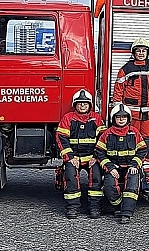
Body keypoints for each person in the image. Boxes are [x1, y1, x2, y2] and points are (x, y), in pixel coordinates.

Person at [112, 38, 149, 192]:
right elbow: (119, 88)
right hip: (132, 112)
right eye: (138, 51)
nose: (141, 53)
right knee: (132, 139)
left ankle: (147, 170)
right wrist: (117, 107)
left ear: (147, 53)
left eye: (144, 51)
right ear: (134, 53)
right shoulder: (126, 68)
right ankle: (132, 166)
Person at [56, 89, 106, 219]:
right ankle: (72, 207)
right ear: (75, 105)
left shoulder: (97, 119)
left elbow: (103, 140)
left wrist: (96, 157)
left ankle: (95, 207)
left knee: (96, 177)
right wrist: (70, 158)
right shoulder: (68, 118)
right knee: (71, 178)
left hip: (91, 157)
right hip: (75, 157)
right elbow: (62, 138)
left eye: (85, 103)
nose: (82, 105)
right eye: (79, 103)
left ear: (90, 105)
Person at [96, 103, 146, 224]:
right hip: (114, 167)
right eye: (119, 117)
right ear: (114, 119)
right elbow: (99, 152)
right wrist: (109, 167)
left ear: (128, 118)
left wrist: (135, 164)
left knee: (132, 186)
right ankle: (118, 206)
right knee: (108, 187)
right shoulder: (107, 134)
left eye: (124, 117)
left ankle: (126, 213)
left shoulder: (134, 132)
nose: (121, 119)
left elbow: (143, 150)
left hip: (131, 166)